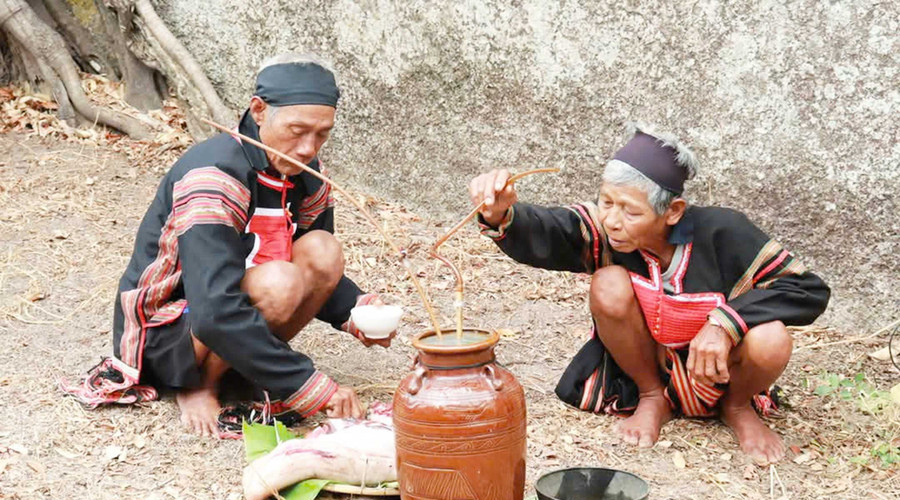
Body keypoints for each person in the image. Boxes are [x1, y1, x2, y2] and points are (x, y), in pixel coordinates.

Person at [67, 53, 393, 437]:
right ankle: (197, 384)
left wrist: (356, 310)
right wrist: (309, 385)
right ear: (258, 111)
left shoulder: (308, 175)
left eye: (322, 134)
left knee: (322, 248)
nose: (308, 147)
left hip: (232, 313)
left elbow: (311, 266)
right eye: (297, 130)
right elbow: (214, 308)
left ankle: (237, 369)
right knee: (279, 281)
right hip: (168, 329)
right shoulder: (214, 176)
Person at [468, 123, 830, 465]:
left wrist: (725, 323)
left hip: (724, 371)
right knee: (608, 283)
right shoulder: (606, 230)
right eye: (606, 202)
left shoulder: (724, 232)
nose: (612, 220)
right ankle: (652, 396)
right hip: (652, 363)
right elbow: (553, 229)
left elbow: (807, 289)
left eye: (630, 211)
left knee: (771, 338)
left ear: (672, 212)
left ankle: (737, 407)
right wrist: (501, 214)